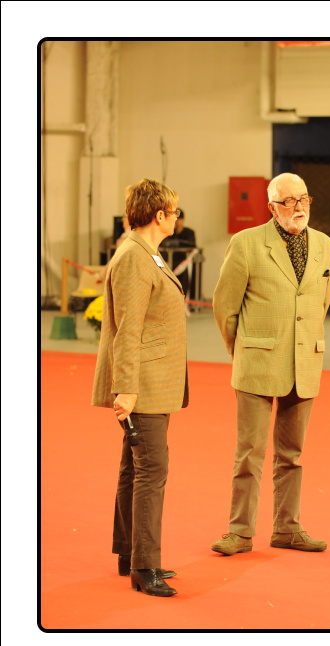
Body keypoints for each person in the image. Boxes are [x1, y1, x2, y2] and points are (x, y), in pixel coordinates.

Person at [211, 172, 330, 555]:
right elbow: (225, 307)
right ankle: (240, 531)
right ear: (271, 207)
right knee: (249, 453)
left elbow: (321, 304)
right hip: (257, 362)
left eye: (303, 199)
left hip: (305, 363)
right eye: (288, 201)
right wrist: (243, 350)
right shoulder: (246, 244)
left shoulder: (327, 247)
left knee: (292, 455)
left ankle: (287, 528)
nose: (298, 208)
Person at [92, 178, 189, 597]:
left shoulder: (146, 252)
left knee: (134, 468)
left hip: (153, 380)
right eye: (174, 211)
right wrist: (126, 388)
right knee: (152, 470)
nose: (177, 217)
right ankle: (144, 566)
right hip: (143, 384)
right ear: (158, 215)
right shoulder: (134, 257)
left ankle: (129, 553)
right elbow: (127, 331)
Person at [160, 208, 196, 298]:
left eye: (179, 219)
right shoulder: (170, 232)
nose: (177, 221)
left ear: (183, 220)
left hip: (184, 264)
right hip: (172, 263)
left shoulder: (189, 233)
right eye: (175, 218)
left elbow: (192, 246)